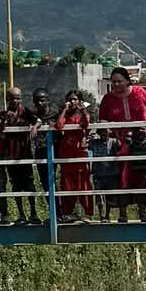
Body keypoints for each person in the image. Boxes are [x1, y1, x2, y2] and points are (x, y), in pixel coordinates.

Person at [97, 65, 146, 222]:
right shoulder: (108, 99)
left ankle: (144, 211)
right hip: (120, 143)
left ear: (127, 81)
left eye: (119, 81)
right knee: (121, 178)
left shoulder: (140, 93)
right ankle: (122, 213)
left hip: (142, 142)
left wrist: (145, 131)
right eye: (114, 82)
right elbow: (102, 119)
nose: (116, 85)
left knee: (143, 177)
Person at [0, 87, 39, 222]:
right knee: (15, 185)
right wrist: (4, 121)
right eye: (12, 98)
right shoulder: (3, 114)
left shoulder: (25, 112)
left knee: (29, 184)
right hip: (10, 153)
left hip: (24, 152)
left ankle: (34, 213)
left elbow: (38, 120)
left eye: (17, 98)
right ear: (7, 99)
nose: (15, 101)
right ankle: (21, 214)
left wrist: (34, 127)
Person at [53, 90, 96, 220]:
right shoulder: (64, 115)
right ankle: (69, 212)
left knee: (83, 184)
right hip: (66, 154)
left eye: (75, 99)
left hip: (79, 154)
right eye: (70, 99)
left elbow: (85, 123)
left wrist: (83, 111)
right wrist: (65, 110)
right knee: (67, 185)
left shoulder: (80, 115)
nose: (73, 102)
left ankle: (86, 213)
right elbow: (59, 125)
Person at [28, 87, 54, 206]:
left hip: (55, 151)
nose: (40, 103)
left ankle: (63, 213)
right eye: (37, 100)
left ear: (48, 100)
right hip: (40, 151)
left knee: (56, 182)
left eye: (42, 100)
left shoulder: (55, 113)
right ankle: (53, 213)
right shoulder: (32, 115)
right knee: (45, 182)